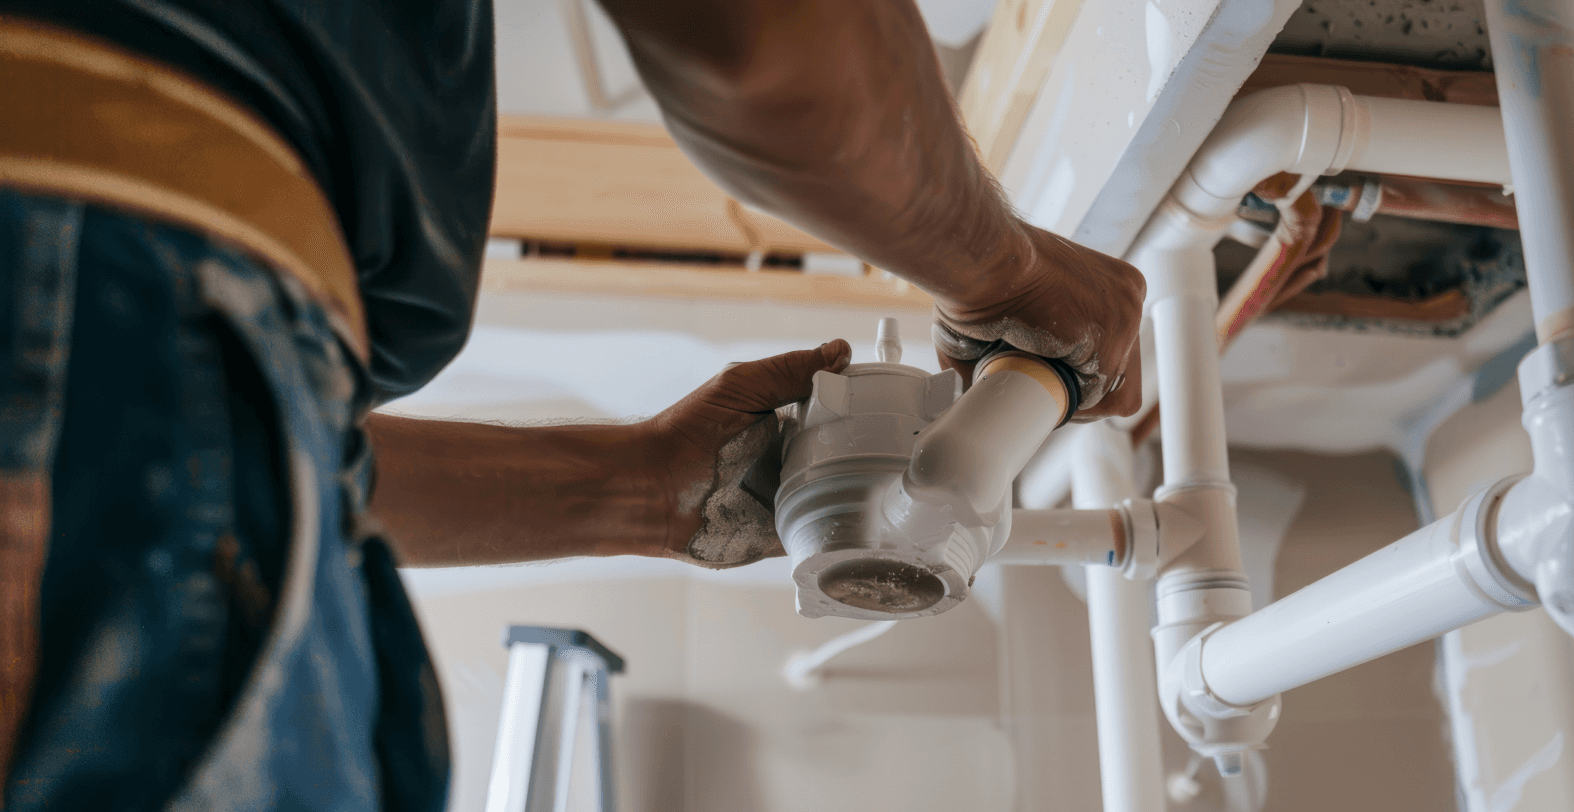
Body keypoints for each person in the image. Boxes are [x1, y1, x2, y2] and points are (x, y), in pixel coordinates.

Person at [0, 1, 1144, 808]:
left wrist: (643, 489)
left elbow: (271, 447)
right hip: (99, 260)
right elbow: (770, 47)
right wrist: (1013, 278)